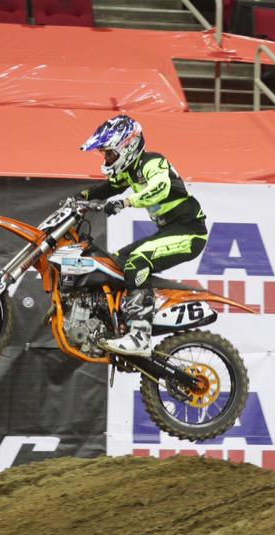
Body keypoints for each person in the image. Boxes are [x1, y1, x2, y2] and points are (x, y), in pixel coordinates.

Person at [76, 115, 208, 357]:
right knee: (114, 262)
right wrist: (78, 198)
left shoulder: (152, 162)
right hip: (170, 230)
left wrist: (125, 202)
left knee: (138, 261)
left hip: (190, 232)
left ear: (128, 146)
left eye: (109, 153)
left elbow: (160, 188)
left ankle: (140, 336)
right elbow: (105, 189)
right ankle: (119, 324)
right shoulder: (128, 172)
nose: (106, 158)